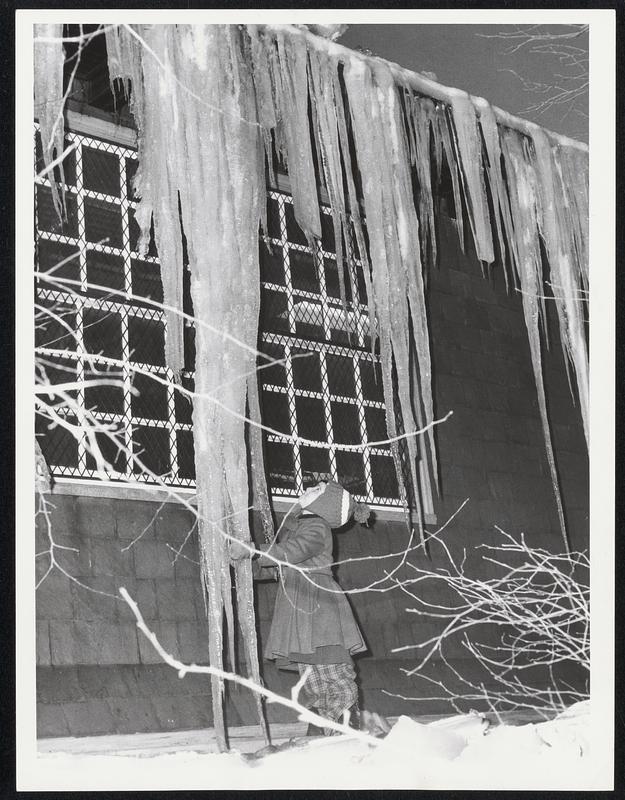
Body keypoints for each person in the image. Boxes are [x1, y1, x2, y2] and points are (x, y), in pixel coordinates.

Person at [230, 480, 371, 734]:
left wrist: (253, 551)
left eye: (317, 489)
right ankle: (322, 729)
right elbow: (280, 566)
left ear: (323, 505)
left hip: (318, 607)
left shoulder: (317, 526)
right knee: (313, 675)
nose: (309, 488)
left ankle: (348, 728)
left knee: (331, 670)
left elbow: (293, 552)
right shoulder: (298, 527)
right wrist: (248, 564)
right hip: (303, 607)